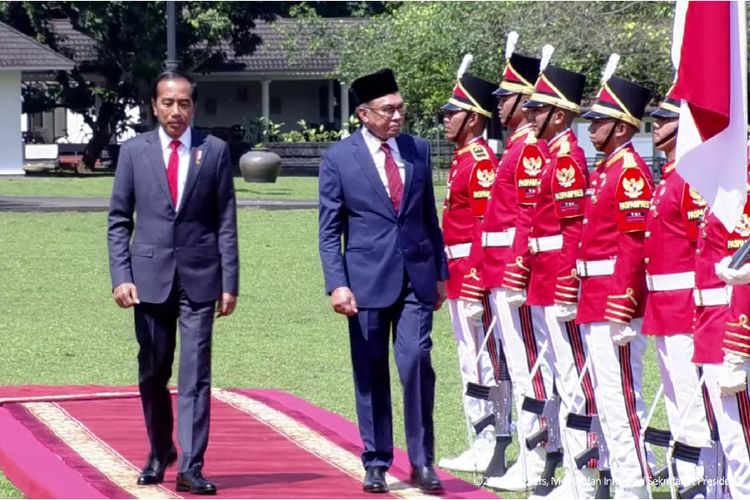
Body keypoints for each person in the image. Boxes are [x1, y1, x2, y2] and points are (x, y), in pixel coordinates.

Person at [107, 71, 239, 495]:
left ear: (193, 107)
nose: (175, 111)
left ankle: (192, 466)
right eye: (168, 103)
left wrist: (229, 280)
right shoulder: (133, 152)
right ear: (154, 105)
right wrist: (121, 276)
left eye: (183, 103)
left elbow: (225, 222)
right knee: (152, 371)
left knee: (196, 375)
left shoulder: (214, 151)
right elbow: (117, 221)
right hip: (148, 280)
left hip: (201, 280)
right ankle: (158, 449)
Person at [318, 68, 448, 494]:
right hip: (365, 282)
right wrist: (337, 283)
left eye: (400, 108)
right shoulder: (339, 158)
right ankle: (376, 460)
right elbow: (329, 228)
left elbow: (429, 217)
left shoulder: (418, 150)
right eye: (388, 109)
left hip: (417, 278)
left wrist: (442, 274)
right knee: (371, 372)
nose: (397, 116)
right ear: (363, 114)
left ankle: (422, 461)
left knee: (415, 364)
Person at [514, 61, 603, 499]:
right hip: (544, 278)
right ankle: (571, 470)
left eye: (539, 110)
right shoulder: (553, 155)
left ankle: (585, 477)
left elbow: (572, 230)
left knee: (574, 383)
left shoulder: (567, 158)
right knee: (559, 378)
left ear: (560, 115)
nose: (529, 117)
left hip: (558, 281)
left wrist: (567, 285)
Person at [576, 55, 654, 499]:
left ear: (622, 127)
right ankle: (618, 478)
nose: (591, 128)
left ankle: (634, 486)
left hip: (613, 297)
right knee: (607, 397)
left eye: (600, 121)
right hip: (595, 293)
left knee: (623, 398)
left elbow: (634, 244)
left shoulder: (628, 173)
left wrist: (622, 305)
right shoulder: (607, 168)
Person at [480, 36, 557, 493]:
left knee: (532, 367)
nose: (501, 104)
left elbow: (528, 217)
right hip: (501, 268)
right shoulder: (514, 145)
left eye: (507, 97)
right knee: (519, 365)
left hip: (519, 271)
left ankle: (538, 458)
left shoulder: (529, 149)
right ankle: (531, 455)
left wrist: (515, 270)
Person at [640, 89, 713, 488]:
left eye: (664, 119)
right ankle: (687, 480)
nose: (656, 125)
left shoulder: (689, 179)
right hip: (665, 304)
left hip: (685, 304)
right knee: (677, 399)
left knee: (691, 402)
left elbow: (699, 247)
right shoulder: (672, 176)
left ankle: (702, 482)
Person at [437, 68, 507, 474]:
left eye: (454, 113)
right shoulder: (464, 158)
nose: (446, 120)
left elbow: (486, 226)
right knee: (471, 361)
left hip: (472, 273)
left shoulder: (480, 162)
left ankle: (493, 441)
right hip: (458, 271)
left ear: (475, 119)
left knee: (485, 361)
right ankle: (479, 438)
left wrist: (479, 281)